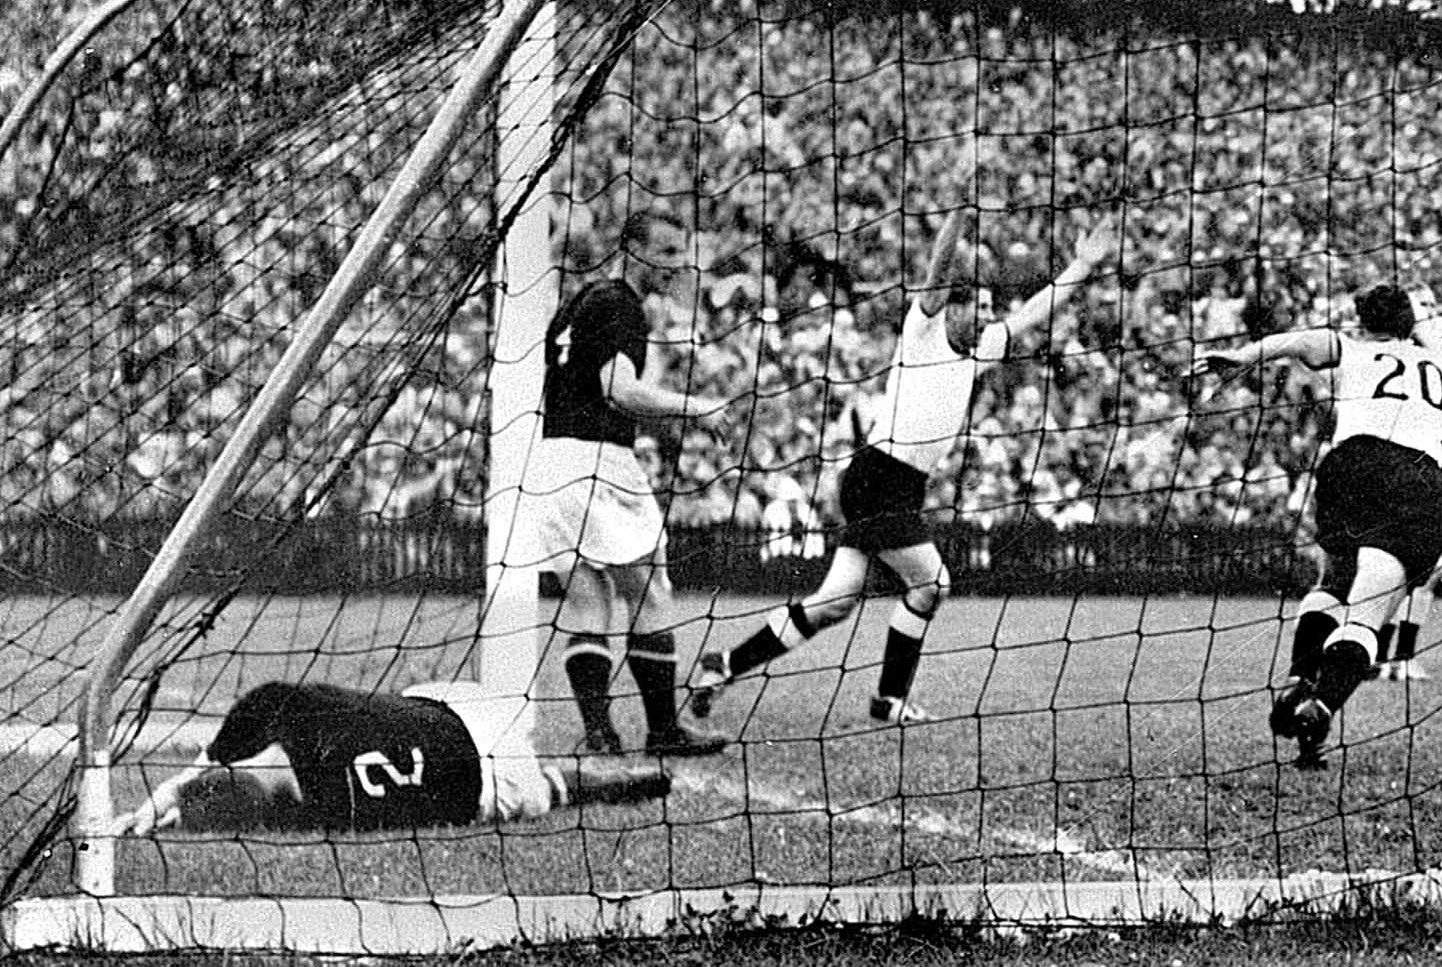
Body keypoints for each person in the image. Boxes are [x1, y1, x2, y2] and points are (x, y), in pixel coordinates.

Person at [691, 205, 1114, 725]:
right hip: (877, 478)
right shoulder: (923, 333)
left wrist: (1083, 266)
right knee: (932, 584)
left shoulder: (982, 349)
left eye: (987, 307)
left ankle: (725, 664)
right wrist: (960, 211)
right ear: (952, 308)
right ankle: (888, 700)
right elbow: (937, 271)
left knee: (833, 602)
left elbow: (1036, 310)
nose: (985, 315)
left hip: (896, 487)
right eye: (976, 305)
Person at [1194, 283, 1442, 769]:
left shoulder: (1353, 348)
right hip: (1415, 474)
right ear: (1410, 324)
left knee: (1333, 580)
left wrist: (1242, 356)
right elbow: (1432, 331)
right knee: (1369, 610)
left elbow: (1299, 342)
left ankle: (1299, 678)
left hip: (1349, 465)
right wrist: (1420, 323)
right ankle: (1323, 704)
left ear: (1364, 324)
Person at [532, 208, 747, 758]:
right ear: (633, 250)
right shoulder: (622, 304)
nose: (678, 263)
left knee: (589, 600)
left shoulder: (579, 303)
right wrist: (696, 408)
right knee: (649, 588)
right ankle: (662, 731)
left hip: (554, 459)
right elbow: (618, 390)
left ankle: (600, 734)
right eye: (669, 252)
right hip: (599, 461)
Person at [112, 680, 671, 835]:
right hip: (465, 710)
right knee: (402, 701)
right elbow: (249, 721)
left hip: (490, 787)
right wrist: (176, 788)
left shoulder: (323, 813)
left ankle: (591, 783)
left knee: (550, 789)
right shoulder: (285, 708)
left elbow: (233, 787)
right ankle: (599, 779)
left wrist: (181, 803)